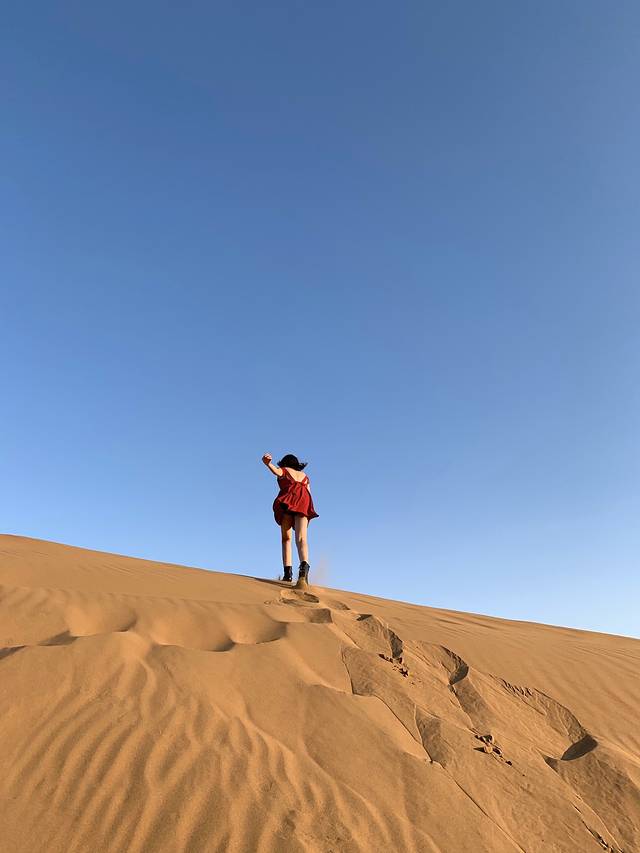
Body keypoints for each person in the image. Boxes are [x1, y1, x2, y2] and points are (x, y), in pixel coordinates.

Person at [262, 452, 319, 583]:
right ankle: (304, 569)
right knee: (302, 538)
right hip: (304, 503)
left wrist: (268, 464)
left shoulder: (285, 470)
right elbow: (309, 494)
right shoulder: (305, 477)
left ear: (285, 463)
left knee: (286, 539)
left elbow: (277, 472)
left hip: (288, 502)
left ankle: (287, 574)